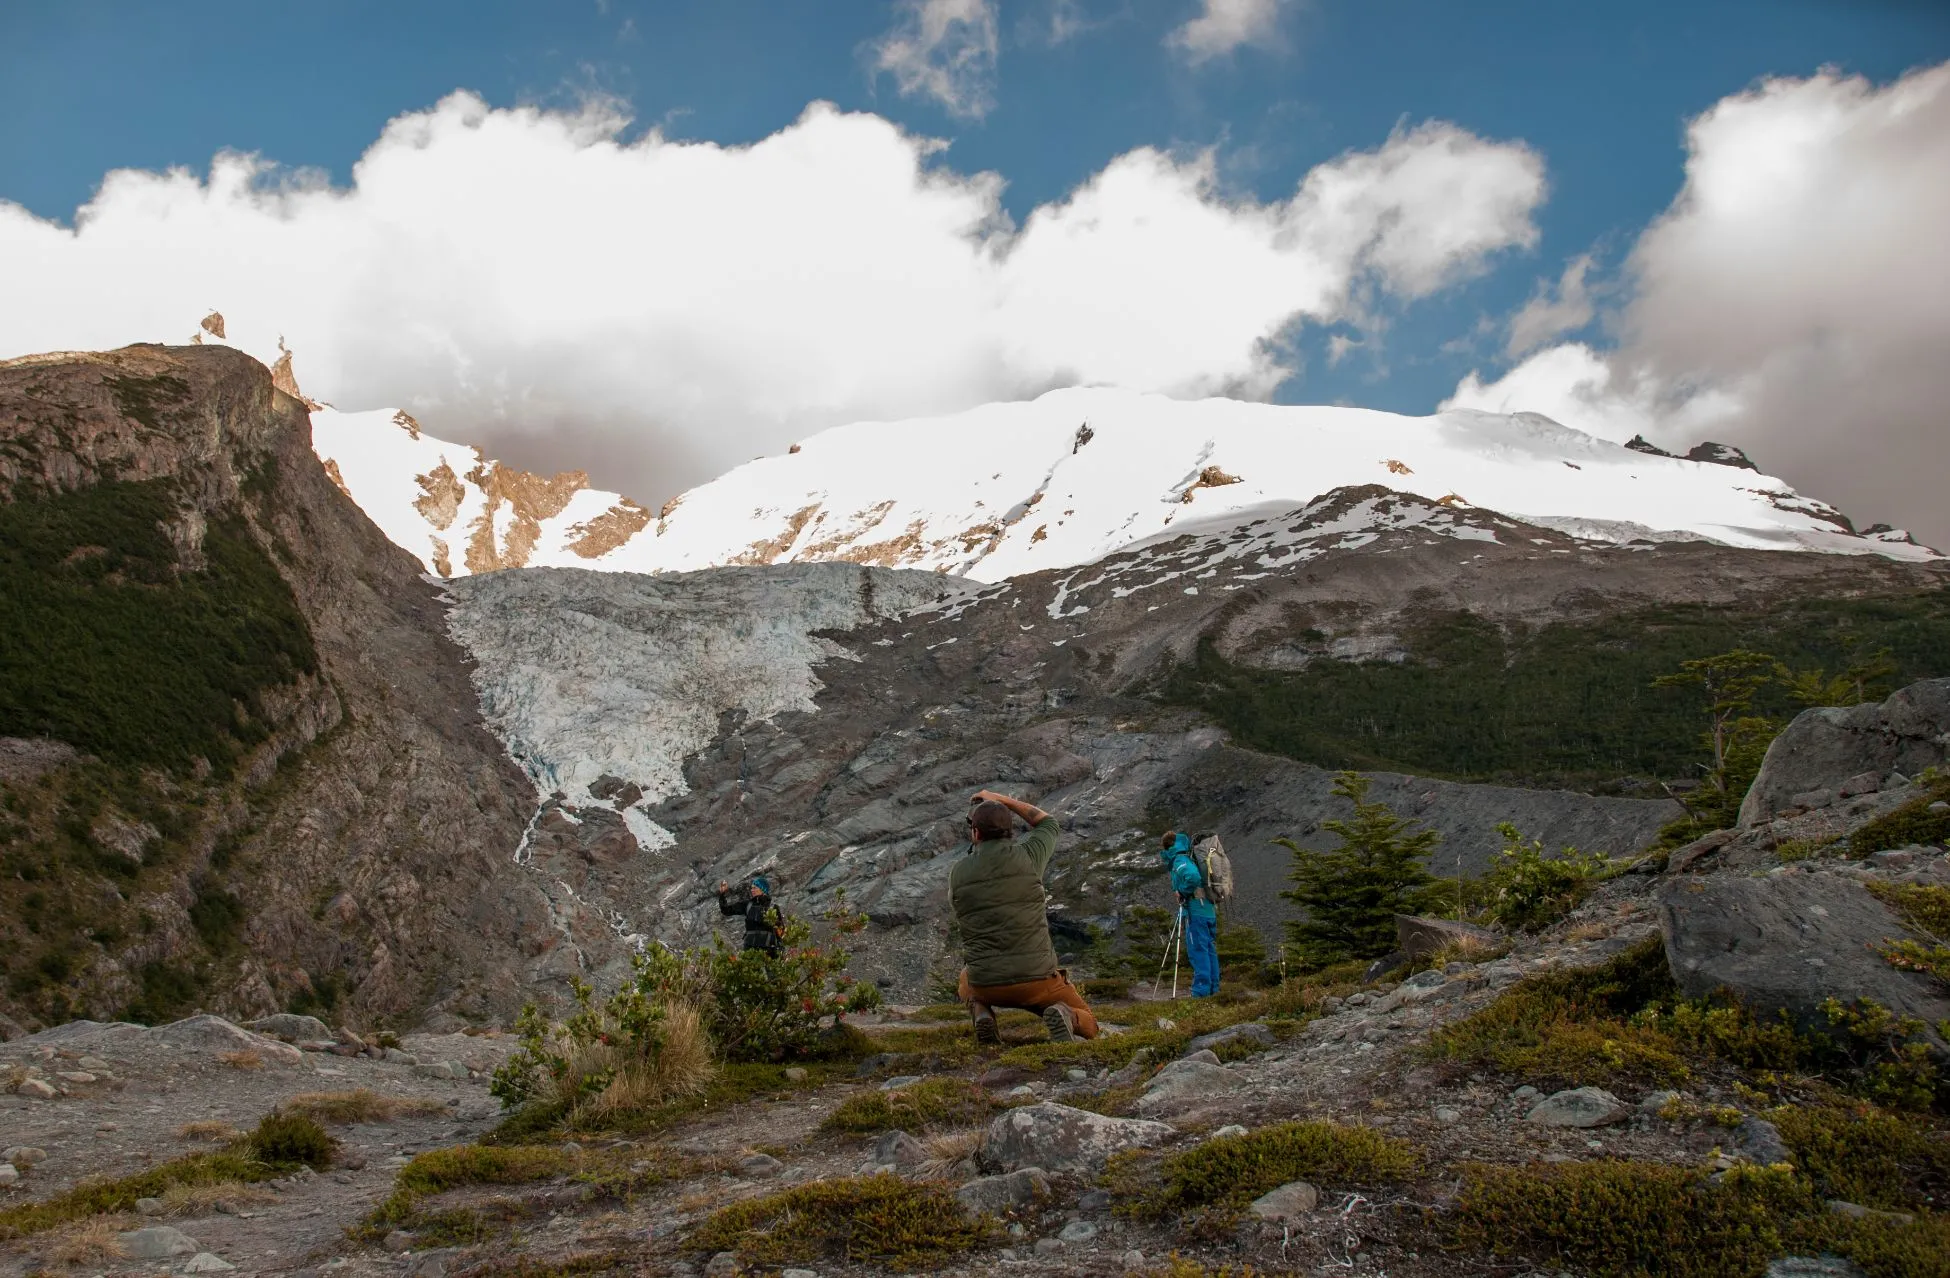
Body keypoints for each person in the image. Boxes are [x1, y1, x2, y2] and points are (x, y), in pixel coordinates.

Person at [950, 789, 1100, 1045]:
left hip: (986, 982)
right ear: (1011, 831)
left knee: (965, 979)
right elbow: (1048, 822)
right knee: (1090, 1022)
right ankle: (1064, 1015)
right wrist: (1002, 799)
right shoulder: (1029, 855)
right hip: (1037, 980)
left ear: (975, 832)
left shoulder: (958, 872)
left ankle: (982, 1013)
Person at [1162, 832, 1221, 997]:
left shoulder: (1180, 860)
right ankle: (1213, 990)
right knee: (1209, 949)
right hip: (1208, 909)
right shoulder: (1190, 856)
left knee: (1198, 951)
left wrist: (1181, 891)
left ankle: (1200, 993)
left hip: (1196, 911)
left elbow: (1193, 877)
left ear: (1168, 848)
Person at [715, 874, 783, 955]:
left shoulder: (773, 907)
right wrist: (722, 894)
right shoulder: (747, 905)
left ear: (762, 889)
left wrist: (780, 949)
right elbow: (726, 910)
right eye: (751, 888)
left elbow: (781, 930)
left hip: (769, 952)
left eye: (755, 888)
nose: (752, 890)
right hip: (750, 952)